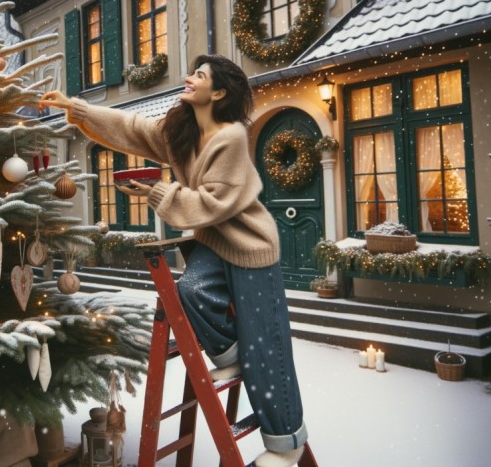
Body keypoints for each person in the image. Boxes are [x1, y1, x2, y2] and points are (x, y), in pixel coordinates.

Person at [39, 54, 307, 467]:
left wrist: (158, 193)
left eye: (199, 75)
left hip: (250, 247)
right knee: (190, 291)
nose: (189, 77)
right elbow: (133, 128)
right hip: (213, 244)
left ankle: (286, 445)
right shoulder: (183, 130)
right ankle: (230, 354)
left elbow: (215, 202)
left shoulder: (231, 137)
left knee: (267, 345)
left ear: (218, 93)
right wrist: (76, 108)